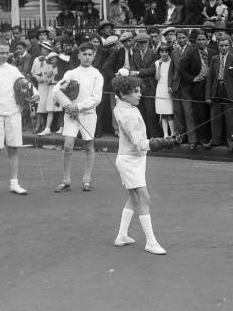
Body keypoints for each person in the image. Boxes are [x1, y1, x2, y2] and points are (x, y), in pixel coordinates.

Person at [112, 75, 179, 255]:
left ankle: (121, 236)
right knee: (144, 199)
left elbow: (116, 92)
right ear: (124, 94)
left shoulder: (122, 105)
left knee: (134, 199)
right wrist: (163, 142)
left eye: (139, 90)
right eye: (135, 91)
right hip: (130, 160)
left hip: (134, 159)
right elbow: (140, 143)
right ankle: (150, 242)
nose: (140, 94)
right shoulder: (128, 115)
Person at [0, 40, 38, 197]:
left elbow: (25, 84)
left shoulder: (13, 70)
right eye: (1, 52)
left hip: (13, 113)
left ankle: (15, 183)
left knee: (13, 148)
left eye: (6, 52)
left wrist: (34, 95)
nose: (5, 56)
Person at [52, 43, 104, 193]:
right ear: (79, 56)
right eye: (84, 54)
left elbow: (96, 98)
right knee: (68, 146)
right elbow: (57, 90)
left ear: (94, 56)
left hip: (88, 114)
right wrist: (68, 106)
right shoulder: (71, 73)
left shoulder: (97, 75)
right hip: (71, 114)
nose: (87, 57)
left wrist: (79, 107)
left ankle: (87, 180)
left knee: (88, 146)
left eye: (90, 54)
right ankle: (66, 181)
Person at [204, 36, 233, 151]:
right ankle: (215, 140)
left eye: (226, 45)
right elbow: (210, 79)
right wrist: (208, 96)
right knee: (215, 117)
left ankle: (232, 141)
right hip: (217, 90)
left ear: (229, 46)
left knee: (230, 118)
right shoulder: (214, 59)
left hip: (229, 92)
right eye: (221, 45)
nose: (223, 48)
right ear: (218, 46)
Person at [154, 43, 176, 138]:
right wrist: (159, 65)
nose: (164, 54)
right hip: (160, 88)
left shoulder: (172, 62)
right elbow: (157, 77)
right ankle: (165, 134)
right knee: (163, 112)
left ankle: (173, 133)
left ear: (169, 52)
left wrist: (170, 86)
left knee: (170, 112)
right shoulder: (156, 63)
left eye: (166, 51)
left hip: (169, 88)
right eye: (161, 51)